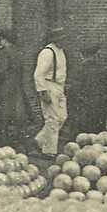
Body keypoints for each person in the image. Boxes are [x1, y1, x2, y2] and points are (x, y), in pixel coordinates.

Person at [0, 28, 31, 146]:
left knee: (3, 114)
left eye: (1, 39)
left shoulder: (3, 52)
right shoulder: (18, 52)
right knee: (16, 113)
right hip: (16, 86)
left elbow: (0, 71)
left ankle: (3, 141)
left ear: (4, 40)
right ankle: (18, 141)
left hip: (5, 87)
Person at [33, 27, 68, 157]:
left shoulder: (61, 51)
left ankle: (40, 140)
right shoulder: (47, 52)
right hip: (49, 86)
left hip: (59, 87)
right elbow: (38, 74)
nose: (64, 41)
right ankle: (49, 151)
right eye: (62, 39)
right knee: (52, 119)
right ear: (56, 40)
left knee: (62, 117)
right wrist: (43, 91)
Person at [69, 44, 107, 134]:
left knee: (82, 136)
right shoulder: (103, 71)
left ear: (81, 56)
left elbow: (73, 91)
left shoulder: (78, 71)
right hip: (99, 107)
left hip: (83, 108)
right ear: (95, 55)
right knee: (98, 135)